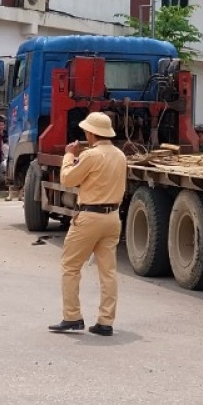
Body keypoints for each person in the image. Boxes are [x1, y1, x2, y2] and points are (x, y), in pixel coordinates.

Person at [50, 111, 127, 337]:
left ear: (92, 133)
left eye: (86, 131)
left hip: (89, 216)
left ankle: (72, 316)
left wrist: (68, 156)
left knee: (70, 266)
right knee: (108, 271)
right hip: (112, 216)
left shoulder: (91, 156)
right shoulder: (119, 155)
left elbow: (68, 179)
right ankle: (105, 321)